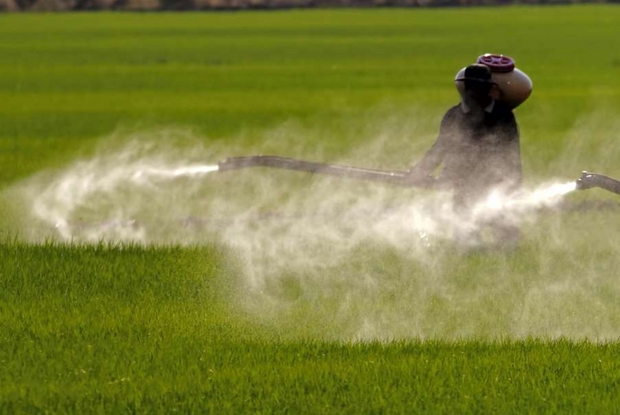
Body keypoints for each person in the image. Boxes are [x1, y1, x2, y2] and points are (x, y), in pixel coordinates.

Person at [407, 64, 522, 249]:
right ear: (464, 88)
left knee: (505, 235)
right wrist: (421, 171)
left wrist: (514, 183)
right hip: (462, 181)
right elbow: (441, 147)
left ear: (488, 89)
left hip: (495, 182)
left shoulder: (503, 116)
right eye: (470, 87)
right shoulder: (454, 116)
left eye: (479, 88)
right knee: (466, 236)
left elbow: (511, 152)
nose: (473, 93)